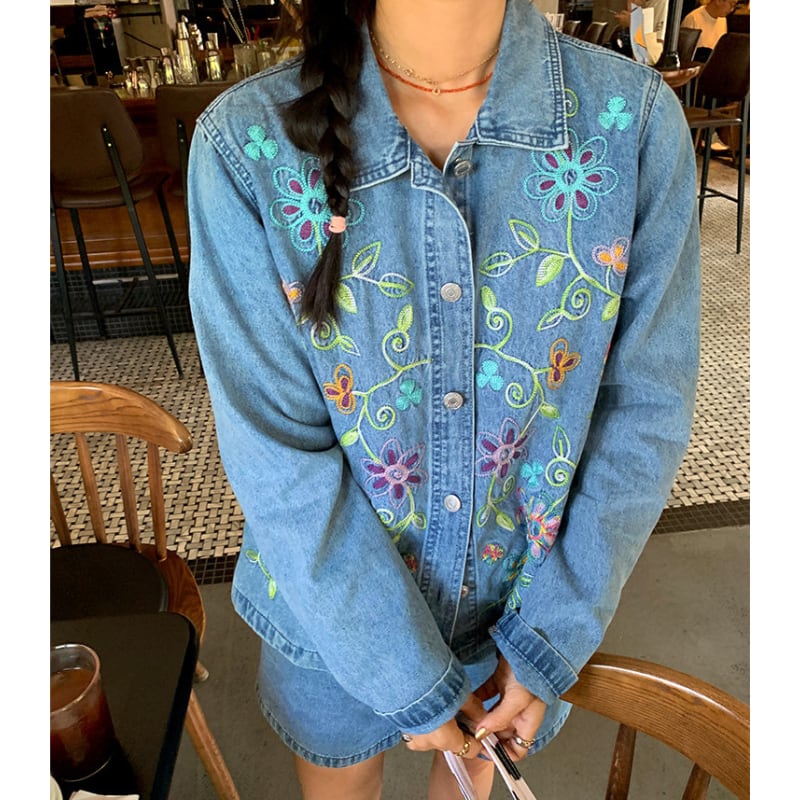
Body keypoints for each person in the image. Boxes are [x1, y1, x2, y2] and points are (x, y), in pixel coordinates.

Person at [187, 1, 701, 798]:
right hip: (331, 616)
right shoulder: (247, 145)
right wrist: (403, 671)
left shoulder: (629, 124)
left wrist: (550, 634)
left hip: (520, 617)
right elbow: (275, 452)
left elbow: (645, 409)